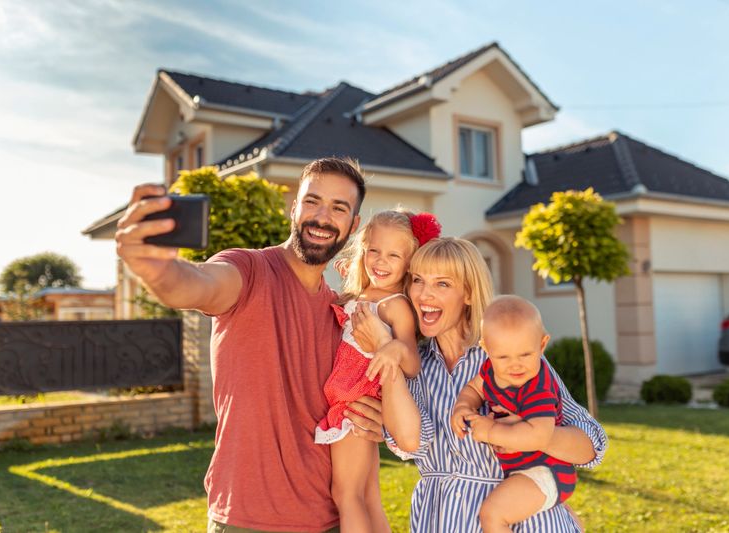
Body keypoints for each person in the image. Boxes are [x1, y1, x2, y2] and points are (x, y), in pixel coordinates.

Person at [115, 157, 385, 532]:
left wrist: (373, 419)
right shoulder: (248, 271)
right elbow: (195, 284)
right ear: (294, 208)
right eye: (312, 201)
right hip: (248, 520)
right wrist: (157, 270)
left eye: (339, 208)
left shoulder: (342, 314)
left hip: (329, 521)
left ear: (353, 226)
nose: (322, 217)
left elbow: (346, 400)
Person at [351, 237, 608, 533]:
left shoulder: (508, 358)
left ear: (469, 294)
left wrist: (528, 433)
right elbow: (413, 442)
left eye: (442, 284)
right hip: (440, 520)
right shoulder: (413, 365)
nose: (424, 294)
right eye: (418, 280)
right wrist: (387, 353)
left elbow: (591, 447)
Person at [315, 208, 439, 532]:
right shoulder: (360, 296)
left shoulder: (395, 304)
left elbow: (411, 363)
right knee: (368, 496)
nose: (381, 262)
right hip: (351, 402)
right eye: (374, 251)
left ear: (409, 263)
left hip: (354, 405)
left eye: (393, 255)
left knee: (346, 494)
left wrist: (392, 347)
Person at [451, 295, 576, 531]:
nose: (515, 365)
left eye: (525, 355)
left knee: (493, 515)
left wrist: (491, 432)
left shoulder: (537, 387)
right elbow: (475, 387)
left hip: (546, 471)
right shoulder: (491, 369)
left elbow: (540, 436)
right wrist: (463, 406)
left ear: (542, 345)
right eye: (503, 357)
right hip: (525, 470)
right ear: (486, 349)